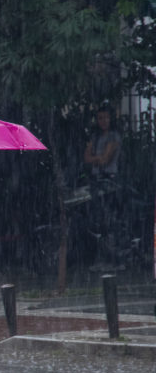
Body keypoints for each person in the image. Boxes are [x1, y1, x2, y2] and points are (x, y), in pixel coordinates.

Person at [83, 107, 124, 270]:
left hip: (109, 180)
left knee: (109, 219)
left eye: (106, 118)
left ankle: (114, 258)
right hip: (97, 180)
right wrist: (96, 159)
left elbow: (106, 159)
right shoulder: (95, 137)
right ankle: (103, 256)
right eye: (100, 118)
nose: (103, 121)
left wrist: (96, 158)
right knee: (98, 220)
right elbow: (86, 158)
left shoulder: (114, 136)